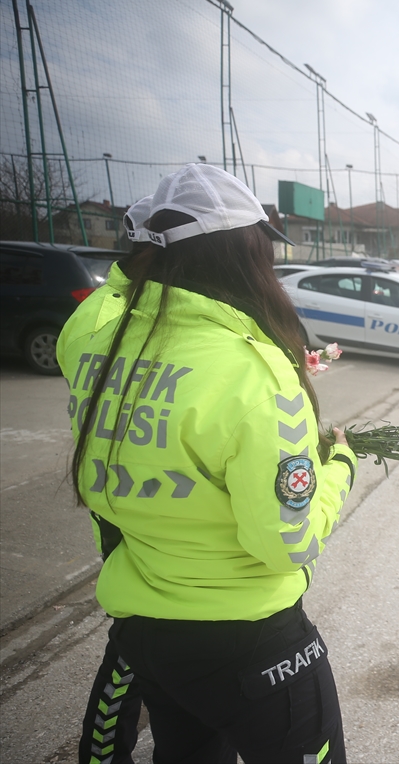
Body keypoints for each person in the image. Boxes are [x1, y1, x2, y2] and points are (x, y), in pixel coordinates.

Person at [60, 164, 355, 764]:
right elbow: (286, 544)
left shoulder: (95, 339)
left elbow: (114, 292)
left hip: (147, 632)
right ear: (248, 254)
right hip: (252, 643)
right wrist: (338, 468)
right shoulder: (255, 376)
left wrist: (143, 251)